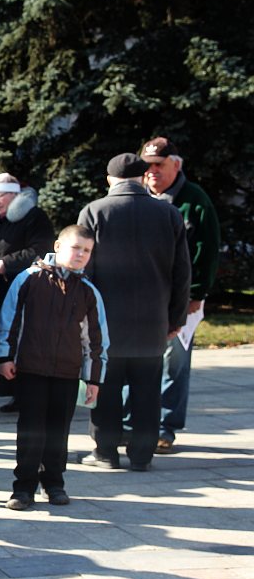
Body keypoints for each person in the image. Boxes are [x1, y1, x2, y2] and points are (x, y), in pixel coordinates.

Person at [77, 153, 190, 471]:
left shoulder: (94, 211)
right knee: (147, 391)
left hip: (107, 323)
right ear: (142, 178)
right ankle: (142, 455)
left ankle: (106, 452)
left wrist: (83, 320)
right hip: (153, 322)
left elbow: (84, 272)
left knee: (106, 389)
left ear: (110, 180)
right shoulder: (168, 213)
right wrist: (175, 318)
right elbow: (182, 273)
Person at [0, 225, 109, 510]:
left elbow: (95, 339)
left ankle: (54, 483)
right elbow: (10, 321)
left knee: (59, 431)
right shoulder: (29, 279)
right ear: (58, 246)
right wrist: (4, 357)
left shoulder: (88, 292)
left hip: (67, 373)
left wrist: (93, 378)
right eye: (75, 248)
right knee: (31, 430)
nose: (81, 254)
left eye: (87, 250)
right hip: (32, 369)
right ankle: (23, 487)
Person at [139, 137, 220, 454]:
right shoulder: (138, 197)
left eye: (159, 164)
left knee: (174, 363)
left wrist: (197, 294)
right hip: (140, 300)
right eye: (147, 166)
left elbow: (207, 251)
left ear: (176, 164)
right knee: (136, 360)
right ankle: (133, 424)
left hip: (179, 299)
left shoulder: (194, 200)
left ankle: (164, 428)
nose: (152, 172)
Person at [0, 173, 55, 413]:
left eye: (1, 195)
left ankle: (25, 394)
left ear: (14, 195)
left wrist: (6, 263)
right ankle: (12, 391)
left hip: (25, 289)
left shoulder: (34, 217)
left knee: (22, 340)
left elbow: (40, 249)